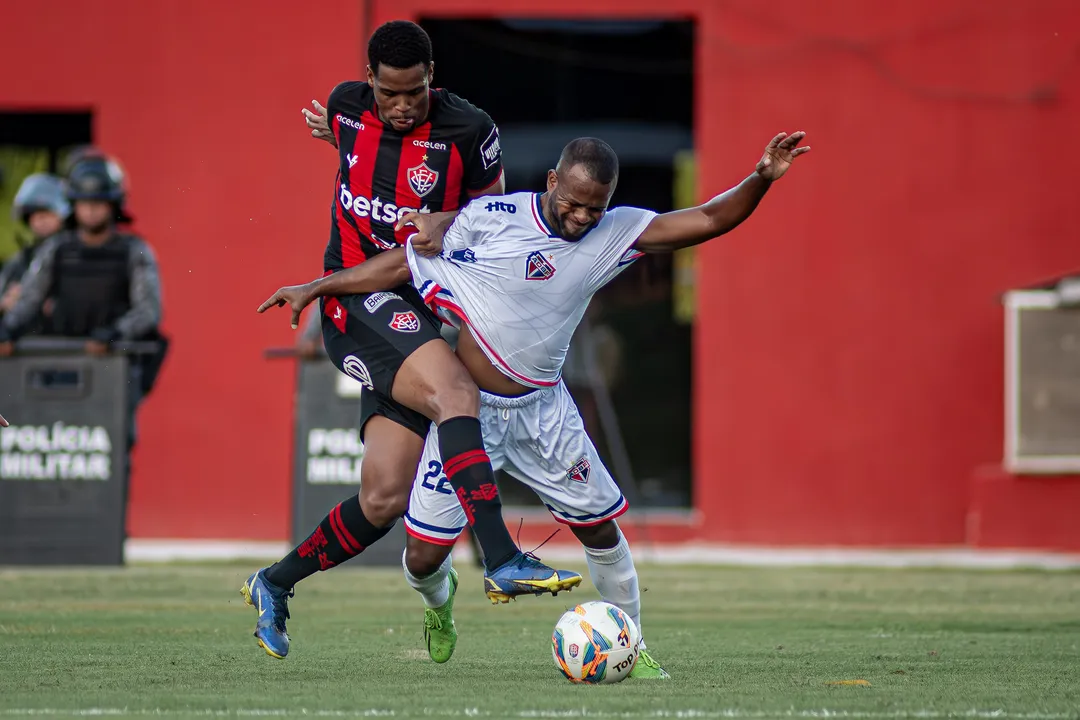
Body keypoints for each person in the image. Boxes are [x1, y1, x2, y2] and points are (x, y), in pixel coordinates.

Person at [259, 131, 811, 672]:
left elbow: (709, 219)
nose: (582, 217)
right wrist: (319, 287)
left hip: (545, 414)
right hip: (468, 414)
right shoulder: (491, 219)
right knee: (422, 558)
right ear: (551, 181)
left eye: (595, 208)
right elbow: (404, 264)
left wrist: (760, 178)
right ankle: (438, 606)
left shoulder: (616, 231)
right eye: (573, 202)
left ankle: (634, 646)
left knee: (600, 528)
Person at [242, 19, 581, 661]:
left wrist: (448, 222)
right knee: (456, 393)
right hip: (356, 301)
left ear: (433, 79)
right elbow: (353, 145)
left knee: (383, 498)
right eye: (389, 93)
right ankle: (501, 558)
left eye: (415, 93)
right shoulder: (346, 108)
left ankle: (274, 583)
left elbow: (493, 222)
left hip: (423, 311)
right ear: (369, 80)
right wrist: (317, 287)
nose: (401, 107)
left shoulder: (470, 130)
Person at [0, 154, 165, 451]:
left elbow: (148, 310)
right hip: (61, 367)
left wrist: (114, 334)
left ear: (113, 205)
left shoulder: (133, 250)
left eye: (98, 203)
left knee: (111, 448)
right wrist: (7, 330)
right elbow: (30, 299)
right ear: (73, 205)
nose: (90, 210)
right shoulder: (57, 250)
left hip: (113, 369)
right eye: (83, 202)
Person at [1, 173, 70, 324]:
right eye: (35, 215)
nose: (41, 221)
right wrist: (8, 302)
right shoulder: (21, 260)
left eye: (46, 213)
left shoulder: (73, 253)